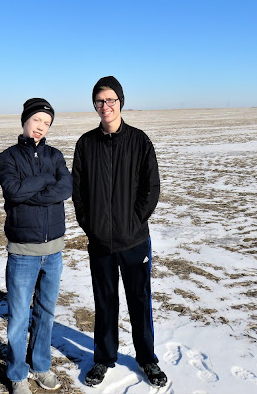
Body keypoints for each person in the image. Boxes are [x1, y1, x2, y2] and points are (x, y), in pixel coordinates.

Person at [72, 76, 167, 387]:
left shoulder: (139, 141)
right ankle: (103, 358)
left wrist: (133, 222)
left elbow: (151, 188)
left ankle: (147, 358)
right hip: (100, 242)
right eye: (100, 101)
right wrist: (91, 225)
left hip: (134, 240)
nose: (105, 106)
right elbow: (78, 191)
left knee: (139, 300)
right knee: (105, 301)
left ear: (120, 102)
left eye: (110, 100)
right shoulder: (86, 144)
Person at [0, 98, 73, 394]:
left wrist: (33, 190)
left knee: (46, 313)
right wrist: (45, 179)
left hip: (54, 251)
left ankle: (41, 366)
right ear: (25, 120)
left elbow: (65, 188)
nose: (41, 127)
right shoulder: (8, 157)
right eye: (37, 120)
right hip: (23, 253)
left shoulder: (55, 155)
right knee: (18, 318)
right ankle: (17, 374)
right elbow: (13, 191)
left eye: (47, 123)